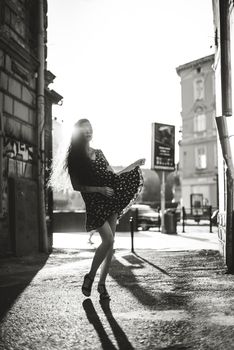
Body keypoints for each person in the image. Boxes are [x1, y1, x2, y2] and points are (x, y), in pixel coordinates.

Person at [64, 119, 145, 300]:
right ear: (78, 134)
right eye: (84, 130)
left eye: (90, 129)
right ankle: (90, 276)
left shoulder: (99, 153)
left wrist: (133, 165)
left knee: (110, 244)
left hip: (110, 201)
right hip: (95, 205)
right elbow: (77, 186)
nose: (88, 132)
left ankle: (102, 285)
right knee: (107, 240)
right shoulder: (75, 158)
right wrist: (99, 189)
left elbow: (113, 176)